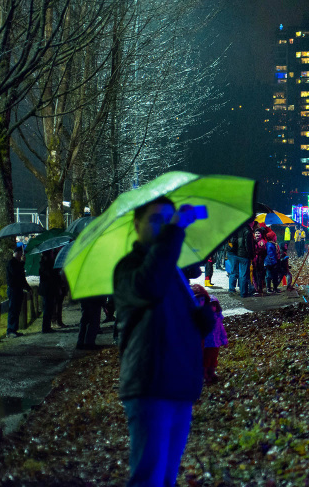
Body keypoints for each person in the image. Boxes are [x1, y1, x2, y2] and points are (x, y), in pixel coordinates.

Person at [114, 196, 216, 487]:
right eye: (157, 220)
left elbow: (182, 323)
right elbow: (150, 286)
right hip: (150, 384)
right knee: (150, 476)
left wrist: (203, 317)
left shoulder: (172, 271)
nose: (165, 227)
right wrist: (174, 232)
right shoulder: (129, 268)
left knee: (167, 476)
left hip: (179, 385)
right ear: (137, 225)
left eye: (169, 220)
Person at [191, 284, 227, 384]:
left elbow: (221, 330)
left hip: (215, 343)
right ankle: (205, 375)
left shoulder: (217, 317)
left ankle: (211, 372)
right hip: (205, 343)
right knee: (205, 360)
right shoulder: (198, 316)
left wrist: (224, 340)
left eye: (214, 305)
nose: (200, 302)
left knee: (213, 359)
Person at [6, 245, 31, 337]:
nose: (22, 255)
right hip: (13, 289)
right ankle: (10, 330)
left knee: (17, 310)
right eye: (21, 253)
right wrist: (22, 263)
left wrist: (28, 288)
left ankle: (14, 329)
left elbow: (21, 278)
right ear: (17, 253)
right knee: (13, 310)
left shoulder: (17, 263)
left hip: (18, 289)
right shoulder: (11, 263)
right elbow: (17, 274)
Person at [226, 223, 253, 298]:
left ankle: (241, 290)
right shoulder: (245, 231)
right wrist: (251, 255)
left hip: (235, 253)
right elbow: (247, 245)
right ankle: (241, 292)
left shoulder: (237, 230)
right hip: (239, 254)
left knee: (239, 273)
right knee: (239, 273)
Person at [38, 250, 60, 333]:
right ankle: (45, 327)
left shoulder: (47, 263)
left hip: (49, 288)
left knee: (49, 308)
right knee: (47, 308)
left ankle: (47, 326)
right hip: (47, 289)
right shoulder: (45, 264)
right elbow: (49, 275)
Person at [251, 228, 266, 295]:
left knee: (259, 275)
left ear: (261, 234)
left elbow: (261, 251)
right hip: (254, 260)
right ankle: (256, 288)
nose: (257, 234)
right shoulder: (253, 241)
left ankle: (259, 289)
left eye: (259, 233)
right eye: (256, 233)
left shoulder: (262, 242)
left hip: (259, 261)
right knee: (254, 275)